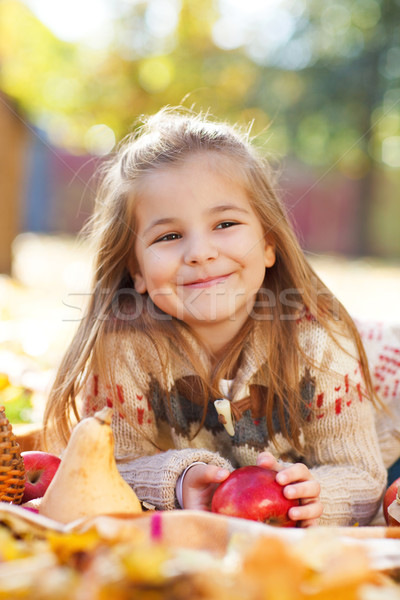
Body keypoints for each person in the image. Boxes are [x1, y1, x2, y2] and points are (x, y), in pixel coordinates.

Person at [43, 107, 387, 527]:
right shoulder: (124, 351)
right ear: (137, 271)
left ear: (268, 244)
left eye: (225, 223)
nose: (200, 252)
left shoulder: (319, 342)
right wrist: (177, 480)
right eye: (169, 236)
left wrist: (318, 497)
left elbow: (362, 475)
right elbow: (105, 468)